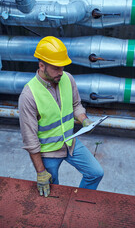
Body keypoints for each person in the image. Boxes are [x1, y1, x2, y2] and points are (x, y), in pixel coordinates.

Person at [18, 36, 104, 197]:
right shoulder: (28, 95)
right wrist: (41, 172)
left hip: (70, 143)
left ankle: (78, 202)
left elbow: (76, 105)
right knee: (51, 193)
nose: (61, 72)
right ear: (41, 65)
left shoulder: (67, 79)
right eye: (56, 68)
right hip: (48, 152)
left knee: (96, 173)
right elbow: (30, 140)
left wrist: (84, 119)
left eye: (62, 67)